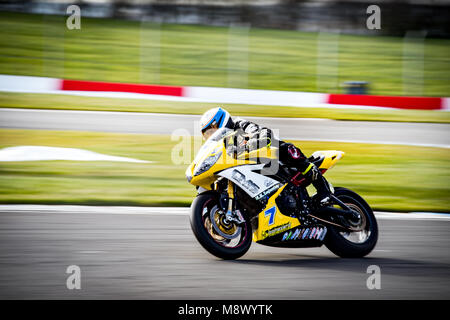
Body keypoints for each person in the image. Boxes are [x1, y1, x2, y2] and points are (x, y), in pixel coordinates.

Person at [199, 107, 332, 206]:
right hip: (253, 167)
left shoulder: (239, 124)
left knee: (288, 151)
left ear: (221, 122)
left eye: (212, 130)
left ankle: (324, 190)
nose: (210, 135)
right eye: (207, 134)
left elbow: (260, 130)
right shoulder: (223, 144)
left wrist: (259, 139)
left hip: (271, 153)